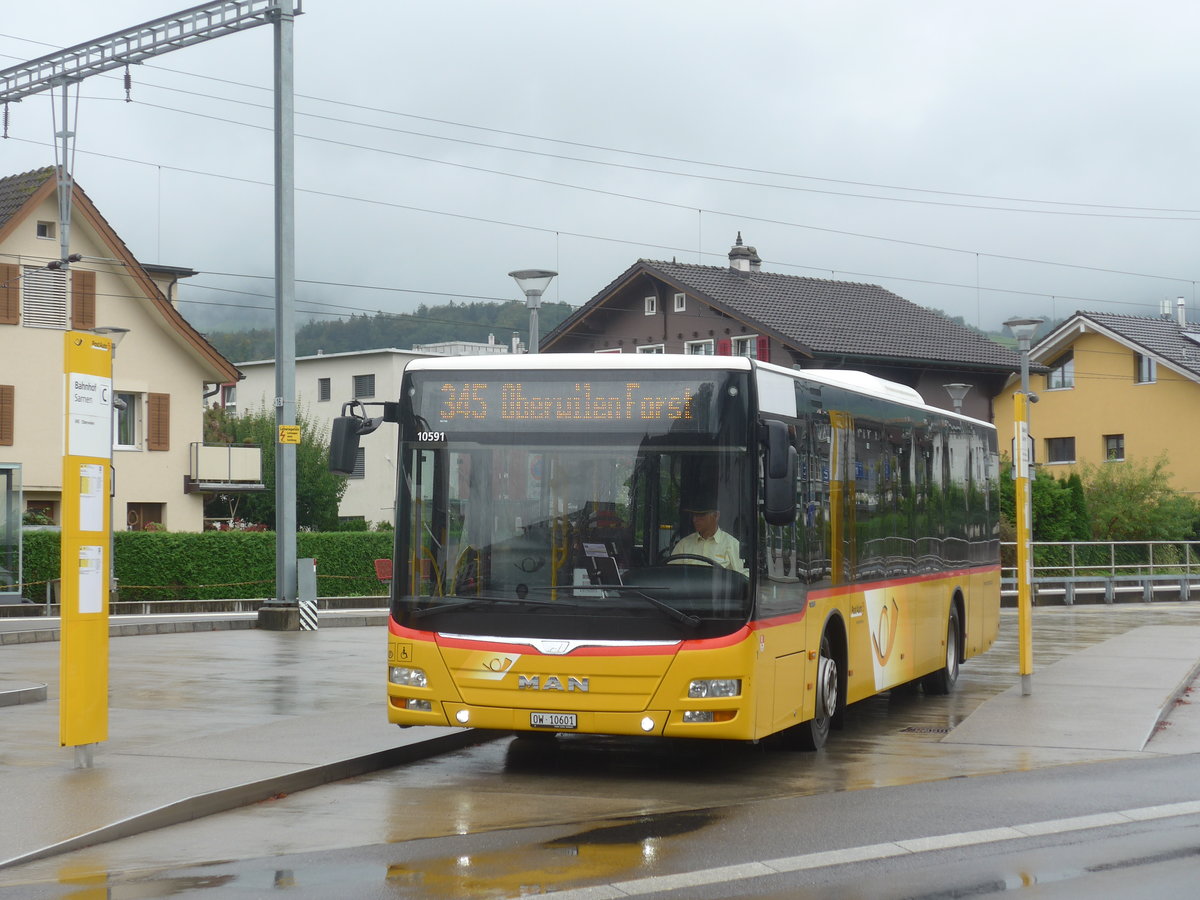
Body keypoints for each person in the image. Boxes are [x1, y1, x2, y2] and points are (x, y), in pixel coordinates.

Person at [670, 499, 748, 576]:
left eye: (700, 515)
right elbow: (671, 575)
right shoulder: (683, 545)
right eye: (694, 515)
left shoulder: (732, 545)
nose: (694, 520)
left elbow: (743, 579)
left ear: (716, 516)